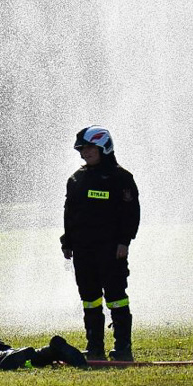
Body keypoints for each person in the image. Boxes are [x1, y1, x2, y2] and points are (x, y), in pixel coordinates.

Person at [60, 125, 140, 361]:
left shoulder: (121, 178)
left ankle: (123, 348)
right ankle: (94, 348)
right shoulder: (76, 179)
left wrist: (124, 242)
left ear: (104, 147)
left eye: (89, 148)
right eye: (82, 150)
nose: (84, 153)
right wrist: (67, 241)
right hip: (83, 250)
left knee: (116, 297)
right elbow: (69, 212)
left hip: (111, 250)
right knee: (89, 298)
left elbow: (131, 213)